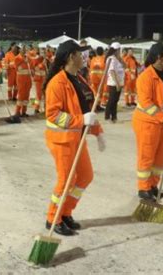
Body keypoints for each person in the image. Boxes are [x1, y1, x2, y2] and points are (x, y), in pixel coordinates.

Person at [43, 40, 105, 236]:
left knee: (86, 176)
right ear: (71, 57)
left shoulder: (79, 79)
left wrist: (97, 131)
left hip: (78, 138)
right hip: (62, 141)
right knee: (66, 181)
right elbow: (53, 115)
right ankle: (53, 217)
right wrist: (81, 120)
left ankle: (66, 212)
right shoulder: (57, 83)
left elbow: (88, 109)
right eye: (81, 54)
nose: (84, 57)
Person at [132, 43, 163, 200]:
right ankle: (143, 188)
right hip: (148, 123)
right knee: (147, 156)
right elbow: (146, 103)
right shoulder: (145, 77)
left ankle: (153, 184)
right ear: (159, 57)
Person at [104, 42, 124, 123]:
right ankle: (107, 116)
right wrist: (117, 84)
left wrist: (120, 58)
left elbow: (125, 66)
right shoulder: (111, 58)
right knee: (112, 100)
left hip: (119, 82)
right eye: (119, 50)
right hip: (113, 83)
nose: (120, 51)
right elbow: (112, 71)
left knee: (115, 100)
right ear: (116, 50)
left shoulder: (117, 58)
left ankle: (114, 117)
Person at [14, 45, 33, 117]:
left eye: (25, 49)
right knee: (21, 95)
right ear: (19, 50)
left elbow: (32, 65)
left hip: (28, 79)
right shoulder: (17, 58)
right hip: (21, 79)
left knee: (26, 96)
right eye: (22, 49)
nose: (24, 50)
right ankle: (17, 112)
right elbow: (16, 67)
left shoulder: (28, 58)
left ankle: (24, 112)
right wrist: (23, 60)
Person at [32, 48, 47, 113]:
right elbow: (35, 68)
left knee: (46, 94)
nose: (43, 54)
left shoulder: (46, 60)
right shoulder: (36, 60)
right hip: (38, 79)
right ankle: (36, 108)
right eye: (42, 52)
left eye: (44, 52)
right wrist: (42, 64)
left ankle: (46, 108)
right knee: (39, 94)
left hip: (44, 79)